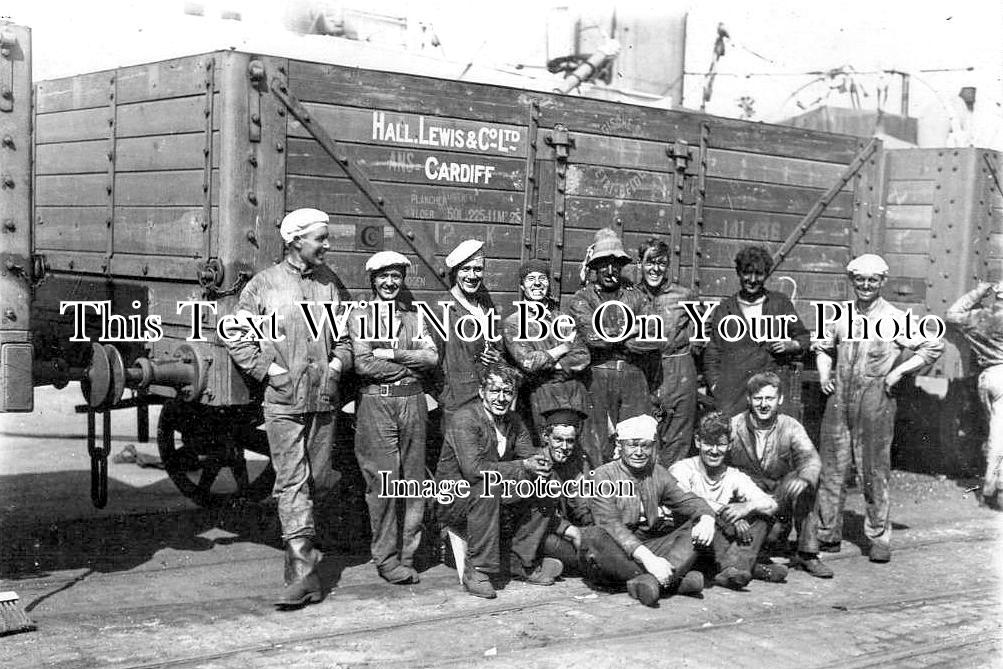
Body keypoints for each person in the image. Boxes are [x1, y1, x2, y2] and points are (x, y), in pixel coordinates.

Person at [225, 208, 352, 609]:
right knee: (292, 481)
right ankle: (301, 576)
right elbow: (235, 334)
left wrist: (335, 366)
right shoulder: (264, 286)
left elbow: (347, 337)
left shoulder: (331, 284)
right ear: (296, 240)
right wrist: (270, 370)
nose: (327, 245)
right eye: (321, 238)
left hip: (323, 400)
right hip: (282, 402)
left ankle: (308, 563)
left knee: (320, 479)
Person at [815, 254, 944, 563]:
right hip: (840, 398)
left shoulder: (897, 318)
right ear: (852, 281)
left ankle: (878, 536)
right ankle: (827, 533)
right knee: (832, 468)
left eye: (873, 280)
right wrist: (824, 373)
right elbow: (822, 346)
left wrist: (899, 372)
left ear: (883, 282)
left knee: (873, 469)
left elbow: (932, 347)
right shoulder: (839, 315)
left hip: (876, 400)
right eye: (859, 279)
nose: (865, 285)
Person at [435, 364, 563, 599]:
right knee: (488, 486)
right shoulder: (465, 418)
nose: (501, 398)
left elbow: (528, 456)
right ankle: (477, 570)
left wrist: (542, 464)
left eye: (507, 392)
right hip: (456, 497)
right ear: (482, 392)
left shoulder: (514, 420)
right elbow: (474, 470)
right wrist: (524, 466)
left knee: (549, 482)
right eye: (495, 391)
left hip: (492, 490)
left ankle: (518, 560)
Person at [350, 251, 438, 584]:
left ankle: (408, 554)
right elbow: (364, 365)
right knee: (383, 483)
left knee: (414, 481)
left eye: (396, 277)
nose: (390, 283)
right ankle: (386, 559)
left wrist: (391, 354)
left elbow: (431, 357)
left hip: (413, 403)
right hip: (377, 406)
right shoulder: (360, 317)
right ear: (373, 280)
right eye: (383, 276)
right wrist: (408, 365)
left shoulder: (416, 317)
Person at [581, 414, 716, 607]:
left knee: (697, 524)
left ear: (653, 447)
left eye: (645, 445)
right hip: (616, 549)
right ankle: (673, 580)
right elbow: (610, 524)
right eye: (632, 445)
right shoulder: (603, 475)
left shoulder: (657, 472)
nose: (639, 452)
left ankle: (650, 582)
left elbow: (688, 500)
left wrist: (706, 517)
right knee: (594, 536)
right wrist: (651, 560)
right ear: (620, 446)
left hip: (648, 543)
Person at [727, 372, 832, 578]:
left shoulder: (790, 426)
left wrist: (804, 478)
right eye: (758, 399)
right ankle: (756, 555)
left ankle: (807, 553)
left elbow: (811, 459)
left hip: (777, 499)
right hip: (746, 500)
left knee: (807, 481)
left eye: (769, 398)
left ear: (780, 400)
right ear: (749, 399)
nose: (763, 404)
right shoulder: (734, 426)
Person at [670, 411, 784, 588]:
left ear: (729, 445)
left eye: (721, 444)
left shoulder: (732, 475)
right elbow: (685, 501)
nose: (714, 451)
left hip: (721, 540)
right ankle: (745, 567)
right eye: (708, 443)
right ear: (698, 441)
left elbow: (772, 504)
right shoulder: (683, 469)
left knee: (764, 517)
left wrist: (747, 507)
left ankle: (732, 569)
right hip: (693, 538)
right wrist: (726, 512)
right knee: (705, 520)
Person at [568, 228, 652, 466]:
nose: (609, 271)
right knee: (596, 445)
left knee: (635, 440)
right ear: (594, 268)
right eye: (603, 264)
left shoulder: (636, 297)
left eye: (615, 265)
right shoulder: (582, 298)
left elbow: (652, 338)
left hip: (633, 376)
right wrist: (629, 331)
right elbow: (594, 338)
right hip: (596, 376)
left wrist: (611, 335)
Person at [703, 245, 809, 418]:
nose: (752, 279)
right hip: (734, 394)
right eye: (747, 273)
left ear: (766, 275)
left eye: (758, 274)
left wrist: (791, 345)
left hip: (767, 392)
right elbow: (713, 353)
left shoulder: (779, 303)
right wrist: (716, 386)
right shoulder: (725, 308)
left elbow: (804, 337)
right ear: (739, 273)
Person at [502, 259, 591, 449]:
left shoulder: (561, 318)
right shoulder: (514, 323)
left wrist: (555, 365)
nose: (537, 283)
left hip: (573, 392)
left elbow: (583, 355)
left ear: (549, 284)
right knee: (547, 450)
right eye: (530, 279)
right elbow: (528, 362)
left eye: (542, 278)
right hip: (542, 395)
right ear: (522, 286)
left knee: (579, 451)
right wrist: (562, 348)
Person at [633, 238, 699, 466]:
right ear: (639, 264)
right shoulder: (631, 296)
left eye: (661, 263)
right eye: (650, 262)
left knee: (677, 439)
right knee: (645, 434)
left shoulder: (684, 296)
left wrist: (685, 348)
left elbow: (703, 328)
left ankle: (669, 493)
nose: (655, 269)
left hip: (678, 370)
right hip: (643, 372)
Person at [946, 281, 1003, 509]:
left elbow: (952, 314)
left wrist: (978, 291)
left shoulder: (978, 317)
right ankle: (995, 487)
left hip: (988, 378)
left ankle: (992, 485)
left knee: (997, 432)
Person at [430, 239, 503, 415]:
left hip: (485, 399)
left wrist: (496, 356)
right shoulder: (442, 309)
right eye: (465, 269)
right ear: (455, 273)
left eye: (477, 269)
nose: (472, 276)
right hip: (456, 402)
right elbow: (433, 360)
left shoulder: (484, 308)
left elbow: (493, 347)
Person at [536, 407, 594, 572]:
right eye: (558, 440)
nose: (564, 447)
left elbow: (582, 505)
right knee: (592, 559)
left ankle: (552, 563)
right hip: (541, 532)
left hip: (567, 529)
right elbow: (538, 515)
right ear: (546, 437)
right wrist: (571, 531)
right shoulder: (536, 463)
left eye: (570, 441)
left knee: (597, 546)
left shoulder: (576, 463)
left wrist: (591, 527)